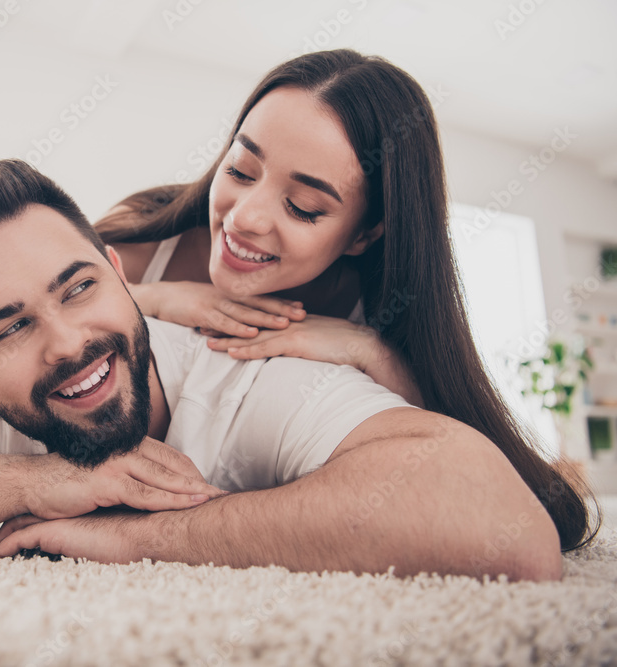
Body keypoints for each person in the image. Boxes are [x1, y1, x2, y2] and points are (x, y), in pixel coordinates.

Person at [0, 160, 562, 581]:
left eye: (78, 287)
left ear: (124, 280)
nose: (68, 342)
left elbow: (504, 525)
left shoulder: (246, 371)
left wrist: (135, 537)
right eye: (10, 328)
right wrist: (34, 482)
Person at [93, 49, 596, 552]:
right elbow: (27, 309)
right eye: (241, 170)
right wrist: (153, 297)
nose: (245, 217)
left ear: (364, 234)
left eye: (303, 207)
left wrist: (370, 350)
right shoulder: (140, 238)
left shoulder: (383, 302)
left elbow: (463, 477)